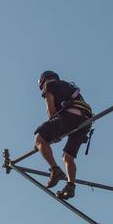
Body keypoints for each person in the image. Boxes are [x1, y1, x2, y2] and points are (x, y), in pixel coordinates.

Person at [34, 70, 93, 201]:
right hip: (86, 121)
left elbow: (51, 112)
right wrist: (55, 134)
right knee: (68, 156)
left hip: (70, 117)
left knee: (39, 138)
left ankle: (55, 170)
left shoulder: (49, 85)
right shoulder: (69, 86)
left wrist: (49, 137)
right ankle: (70, 186)